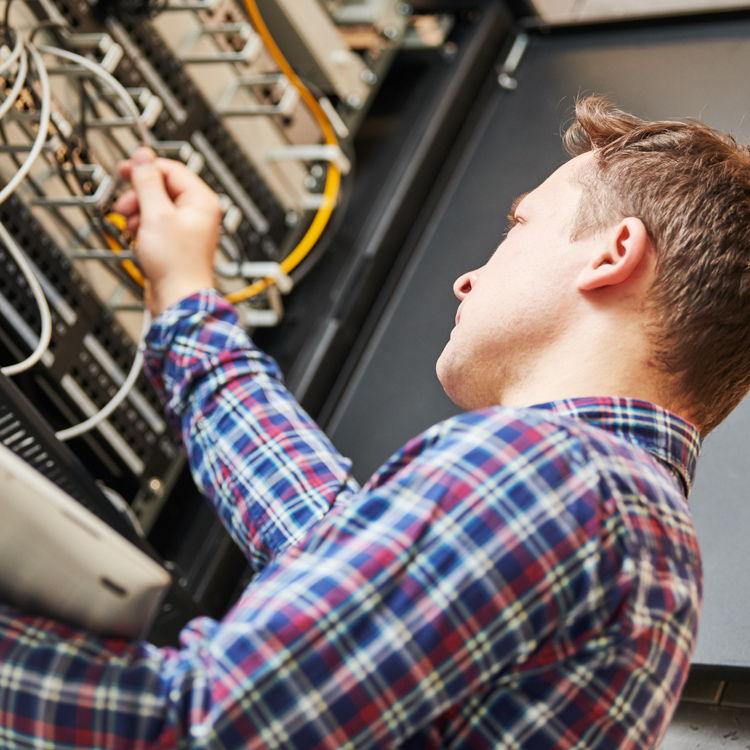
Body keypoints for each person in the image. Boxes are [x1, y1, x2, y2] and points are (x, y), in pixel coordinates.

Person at [1, 95, 748, 749]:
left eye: (519, 223)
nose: (468, 276)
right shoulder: (638, 536)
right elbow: (329, 537)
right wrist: (186, 295)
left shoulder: (560, 476)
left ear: (614, 254)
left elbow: (201, 728)